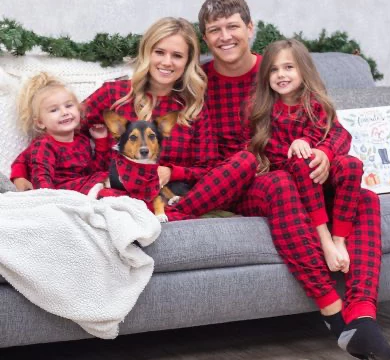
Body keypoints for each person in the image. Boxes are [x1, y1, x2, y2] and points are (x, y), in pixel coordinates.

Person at [167, 0, 390, 360]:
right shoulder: (200, 82)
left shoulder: (277, 68)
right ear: (205, 37)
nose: (225, 37)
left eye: (232, 27)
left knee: (366, 200)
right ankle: (334, 313)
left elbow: (329, 125)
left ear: (250, 28)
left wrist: (326, 155)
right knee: (279, 183)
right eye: (215, 30)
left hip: (301, 169)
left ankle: (363, 316)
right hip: (249, 179)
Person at [11, 17, 257, 215]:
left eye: (177, 55)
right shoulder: (115, 95)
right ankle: (163, 214)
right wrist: (20, 172)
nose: (167, 62)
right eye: (159, 52)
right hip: (120, 195)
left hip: (173, 194)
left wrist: (171, 172)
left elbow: (208, 170)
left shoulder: (192, 109)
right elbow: (59, 132)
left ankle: (172, 212)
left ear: (187, 62)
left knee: (245, 161)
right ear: (147, 53)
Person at [249, 38, 364, 275]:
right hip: (293, 186)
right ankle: (324, 239)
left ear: (304, 70)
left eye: (288, 67)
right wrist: (300, 147)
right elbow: (271, 152)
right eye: (273, 69)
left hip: (324, 179)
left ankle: (339, 239)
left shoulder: (316, 104)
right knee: (303, 160)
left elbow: (341, 135)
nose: (281, 75)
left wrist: (323, 152)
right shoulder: (264, 112)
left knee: (351, 164)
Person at [11, 72, 110, 194]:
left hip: (87, 186)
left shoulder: (83, 140)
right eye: (54, 110)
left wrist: (101, 141)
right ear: (40, 122)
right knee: (108, 180)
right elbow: (41, 177)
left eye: (68, 106)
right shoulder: (44, 144)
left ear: (79, 110)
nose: (64, 112)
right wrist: (50, 198)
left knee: (109, 176)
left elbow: (95, 170)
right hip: (61, 192)